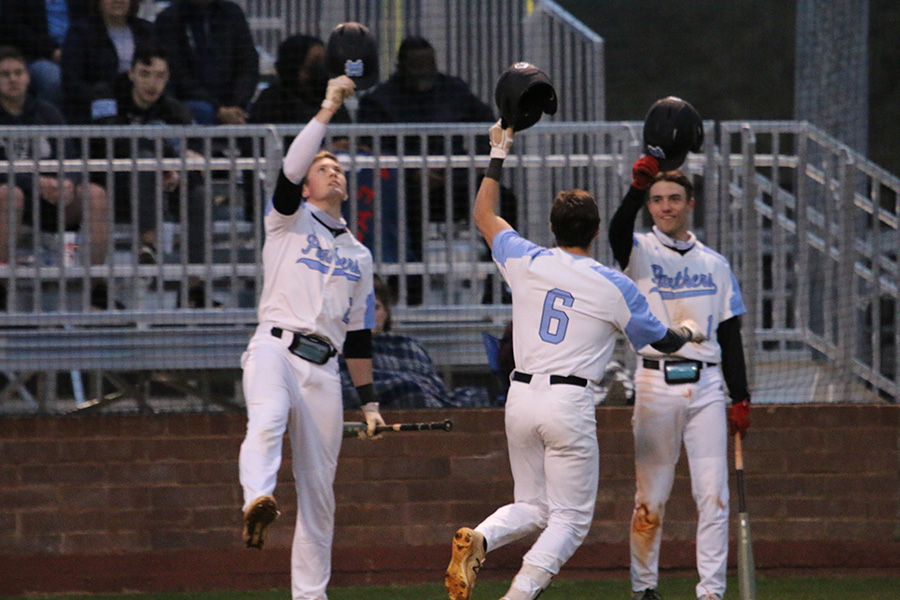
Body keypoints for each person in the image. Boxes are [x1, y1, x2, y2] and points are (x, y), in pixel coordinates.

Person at [444, 121, 706, 600]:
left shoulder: (525, 257)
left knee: (533, 505)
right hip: (568, 402)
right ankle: (518, 595)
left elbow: (483, 212)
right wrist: (688, 331)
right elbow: (661, 342)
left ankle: (482, 536)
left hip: (519, 396)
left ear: (551, 228)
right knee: (570, 518)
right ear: (597, 230)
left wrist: (498, 151)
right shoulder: (614, 285)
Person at [237, 75, 385, 600]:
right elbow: (289, 167)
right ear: (307, 186)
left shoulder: (359, 255)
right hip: (274, 348)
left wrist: (368, 404)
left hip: (324, 369)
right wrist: (327, 108)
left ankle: (310, 596)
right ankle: (257, 498)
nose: (334, 173)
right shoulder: (286, 220)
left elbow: (361, 334)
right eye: (325, 168)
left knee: (321, 494)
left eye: (340, 168)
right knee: (268, 418)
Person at [608, 156, 753, 600]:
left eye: (673, 198)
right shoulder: (638, 250)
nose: (665, 207)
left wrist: (740, 396)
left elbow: (730, 335)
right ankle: (644, 588)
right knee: (650, 498)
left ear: (690, 204)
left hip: (708, 386)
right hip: (654, 384)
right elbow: (615, 232)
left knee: (714, 496)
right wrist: (635, 190)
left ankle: (711, 592)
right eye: (656, 200)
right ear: (648, 206)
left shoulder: (716, 264)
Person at [0, 45, 110, 303]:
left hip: (51, 199)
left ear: (28, 77)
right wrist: (35, 182)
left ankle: (96, 290)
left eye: (18, 72)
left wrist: (68, 183)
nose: (13, 79)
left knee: (95, 194)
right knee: (9, 194)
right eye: (5, 74)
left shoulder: (47, 112)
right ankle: (1, 286)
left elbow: (71, 158)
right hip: (11, 200)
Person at [339, 275, 490, 409]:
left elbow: (435, 387)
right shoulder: (340, 348)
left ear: (387, 312)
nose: (368, 314)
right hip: (383, 404)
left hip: (427, 402)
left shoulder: (409, 345)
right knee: (409, 390)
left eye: (375, 307)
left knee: (477, 394)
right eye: (359, 309)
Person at [154, 0, 259, 125]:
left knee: (257, 111)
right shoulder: (169, 18)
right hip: (190, 100)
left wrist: (237, 104)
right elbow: (178, 75)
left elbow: (248, 64)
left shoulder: (232, 13)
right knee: (203, 111)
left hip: (233, 102)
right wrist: (218, 108)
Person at [59, 0, 154, 124]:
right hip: (96, 110)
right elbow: (72, 82)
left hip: (143, 106)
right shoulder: (80, 32)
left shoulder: (147, 31)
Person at [0, 0, 91, 107]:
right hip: (34, 55)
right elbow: (12, 27)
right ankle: (48, 119)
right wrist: (50, 51)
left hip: (76, 51)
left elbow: (88, 23)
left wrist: (73, 51)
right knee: (52, 79)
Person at [249, 34, 350, 127]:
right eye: (313, 64)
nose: (320, 71)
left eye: (323, 63)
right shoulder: (272, 99)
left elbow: (346, 132)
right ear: (294, 66)